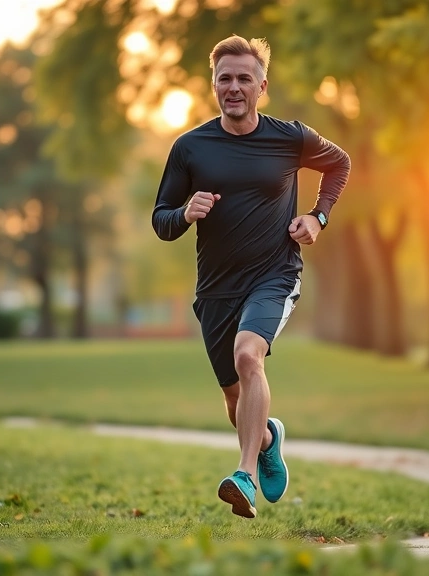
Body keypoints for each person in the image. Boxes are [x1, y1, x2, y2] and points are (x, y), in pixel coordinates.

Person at [151, 35, 350, 518]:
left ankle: (245, 473)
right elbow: (160, 220)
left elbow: (339, 163)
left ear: (262, 86)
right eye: (225, 78)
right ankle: (266, 438)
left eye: (244, 78)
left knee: (248, 355)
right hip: (216, 287)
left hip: (275, 274)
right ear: (213, 85)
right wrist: (185, 213)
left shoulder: (290, 137)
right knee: (234, 397)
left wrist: (318, 217)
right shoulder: (190, 148)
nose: (234, 87)